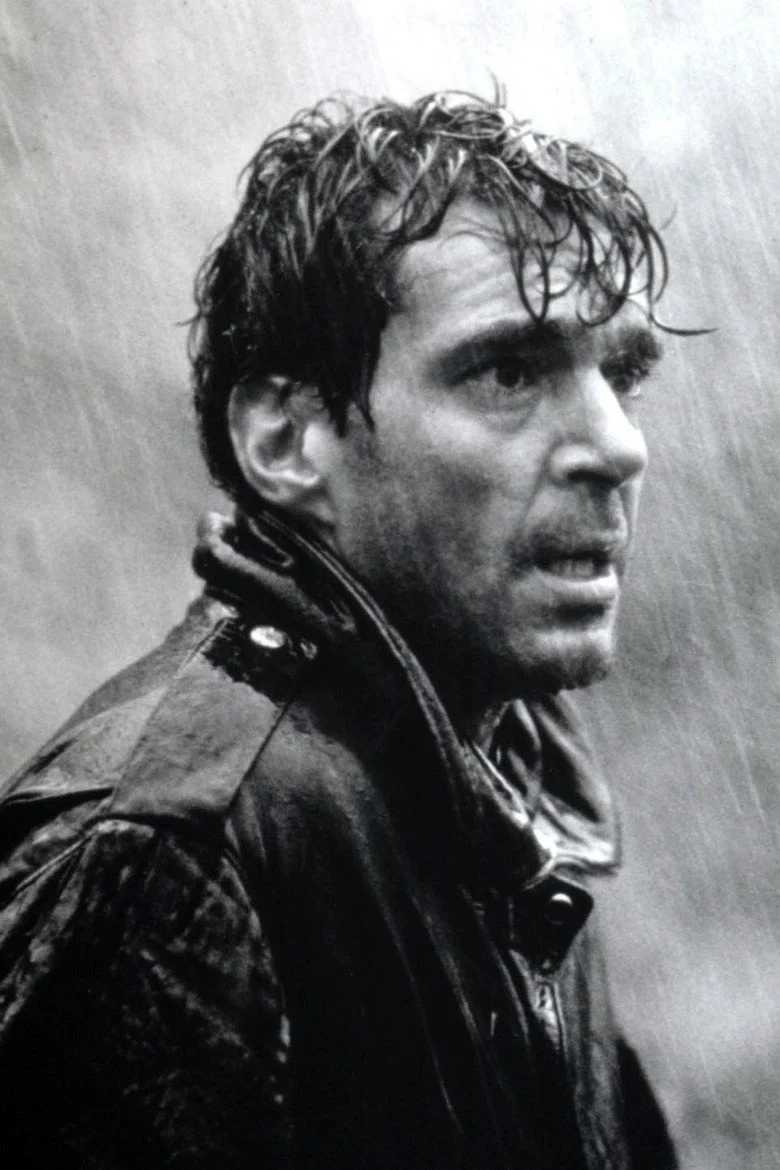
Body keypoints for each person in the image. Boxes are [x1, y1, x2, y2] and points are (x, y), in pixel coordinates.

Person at [0, 91, 680, 1168]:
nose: (617, 446)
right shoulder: (165, 858)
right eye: (510, 371)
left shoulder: (508, 795)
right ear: (288, 443)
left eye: (622, 375)